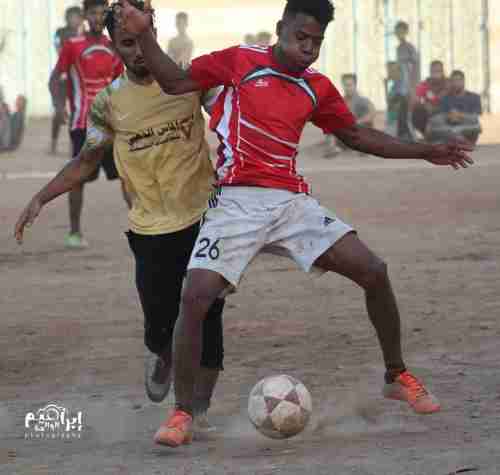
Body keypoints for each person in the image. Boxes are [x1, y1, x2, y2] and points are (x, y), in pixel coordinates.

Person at [119, 0, 473, 448]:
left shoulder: (316, 88)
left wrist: (425, 150)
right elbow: (172, 81)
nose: (308, 48)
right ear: (280, 29)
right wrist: (145, 34)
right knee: (195, 296)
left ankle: (395, 374)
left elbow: (359, 137)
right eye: (300, 37)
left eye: (316, 42)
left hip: (290, 202)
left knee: (374, 271)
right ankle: (183, 413)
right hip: (235, 203)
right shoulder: (240, 61)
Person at [15, 0, 225, 440]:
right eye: (126, 44)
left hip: (205, 221)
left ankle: (194, 415)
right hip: (151, 230)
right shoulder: (109, 103)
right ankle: (162, 354)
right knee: (158, 324)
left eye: (142, 39)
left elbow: (232, 116)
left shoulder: (189, 80)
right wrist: (42, 196)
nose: (137, 52)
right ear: (114, 46)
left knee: (208, 318)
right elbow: (87, 161)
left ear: (154, 31)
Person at [49, 0, 125, 249]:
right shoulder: (72, 46)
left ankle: (142, 228)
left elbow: (119, 85)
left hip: (111, 125)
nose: (98, 17)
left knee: (127, 174)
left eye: (103, 12)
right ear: (85, 15)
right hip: (82, 124)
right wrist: (60, 107)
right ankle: (74, 232)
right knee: (78, 178)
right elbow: (55, 80)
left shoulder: (114, 47)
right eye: (93, 13)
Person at [50, 6, 85, 155]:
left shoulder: (85, 34)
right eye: (71, 16)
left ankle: (74, 145)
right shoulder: (60, 32)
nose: (74, 19)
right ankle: (53, 142)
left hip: (75, 76)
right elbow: (59, 48)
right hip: (60, 77)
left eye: (77, 17)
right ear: (67, 18)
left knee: (76, 112)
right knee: (59, 112)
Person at [324, 73, 376, 157]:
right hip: (345, 135)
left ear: (355, 85)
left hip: (358, 132)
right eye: (345, 85)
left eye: (349, 85)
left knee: (366, 125)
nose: (347, 88)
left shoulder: (362, 100)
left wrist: (358, 122)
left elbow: (372, 112)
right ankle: (332, 148)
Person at [427, 70, 482, 145]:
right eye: (454, 81)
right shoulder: (445, 98)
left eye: (459, 80)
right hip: (449, 127)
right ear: (450, 83)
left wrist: (460, 115)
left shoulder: (474, 97)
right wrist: (449, 116)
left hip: (466, 127)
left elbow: (475, 117)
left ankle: (457, 138)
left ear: (463, 81)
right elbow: (439, 117)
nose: (456, 83)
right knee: (435, 121)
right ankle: (457, 139)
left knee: (474, 122)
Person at [394, 21, 420, 141]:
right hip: (400, 85)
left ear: (406, 32)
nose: (399, 34)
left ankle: (411, 136)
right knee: (400, 110)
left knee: (406, 112)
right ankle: (402, 136)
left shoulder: (410, 48)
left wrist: (413, 86)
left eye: (401, 31)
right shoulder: (398, 48)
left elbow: (415, 66)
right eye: (397, 32)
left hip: (409, 85)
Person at [412, 60, 449, 138]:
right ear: (430, 72)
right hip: (428, 112)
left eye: (438, 70)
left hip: (445, 110)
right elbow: (417, 98)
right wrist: (424, 104)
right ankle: (425, 134)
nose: (436, 73)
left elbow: (446, 98)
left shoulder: (448, 83)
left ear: (443, 71)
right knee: (417, 110)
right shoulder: (425, 84)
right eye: (433, 71)